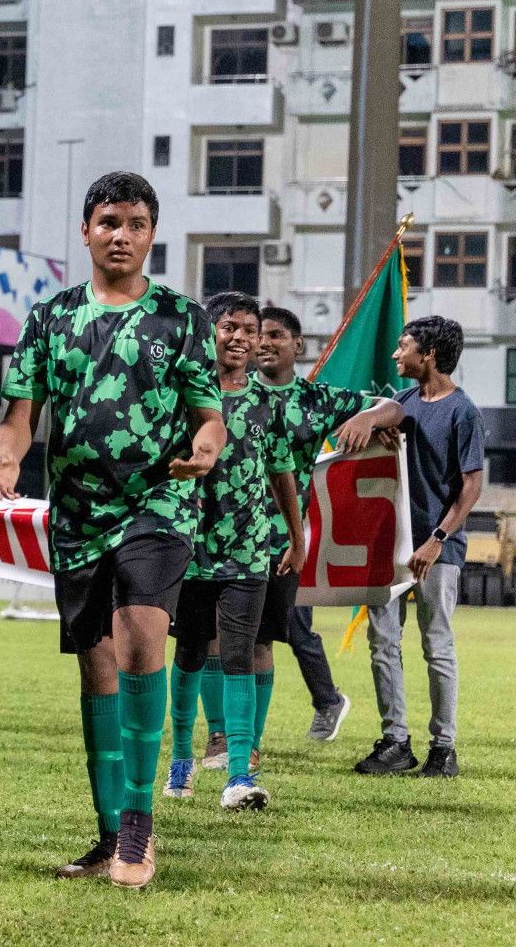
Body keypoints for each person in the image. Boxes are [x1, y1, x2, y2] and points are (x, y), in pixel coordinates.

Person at [0, 173, 225, 889]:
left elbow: (207, 413)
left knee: (142, 637)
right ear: (86, 231)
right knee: (96, 667)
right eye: (109, 221)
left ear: (153, 234)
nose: (122, 234)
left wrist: (207, 445)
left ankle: (140, 836)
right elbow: (20, 413)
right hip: (78, 514)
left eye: (136, 223)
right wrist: (7, 453)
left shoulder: (184, 318)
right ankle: (108, 835)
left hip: (160, 503)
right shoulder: (50, 317)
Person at [162, 292, 303, 814]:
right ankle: (180, 760)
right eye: (229, 328)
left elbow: (281, 471)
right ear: (210, 334)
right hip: (189, 546)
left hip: (249, 551)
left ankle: (239, 775)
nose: (240, 338)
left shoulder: (269, 404)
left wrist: (296, 531)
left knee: (239, 655)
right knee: (192, 654)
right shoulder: (182, 397)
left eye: (250, 329)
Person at [255, 307, 404, 742]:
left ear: (298, 345)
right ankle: (229, 737)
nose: (264, 343)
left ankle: (326, 701)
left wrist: (368, 418)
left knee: (292, 627)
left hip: (289, 539)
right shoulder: (233, 395)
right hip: (230, 538)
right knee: (226, 638)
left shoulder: (317, 400)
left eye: (276, 335)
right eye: (259, 335)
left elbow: (392, 407)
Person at [357, 316, 484, 778]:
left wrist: (437, 540)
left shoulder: (463, 410)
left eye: (403, 345)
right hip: (391, 547)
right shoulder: (403, 402)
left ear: (428, 353)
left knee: (437, 647)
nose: (396, 354)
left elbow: (471, 486)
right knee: (382, 644)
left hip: (437, 549)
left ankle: (443, 749)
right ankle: (395, 742)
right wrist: (380, 434)